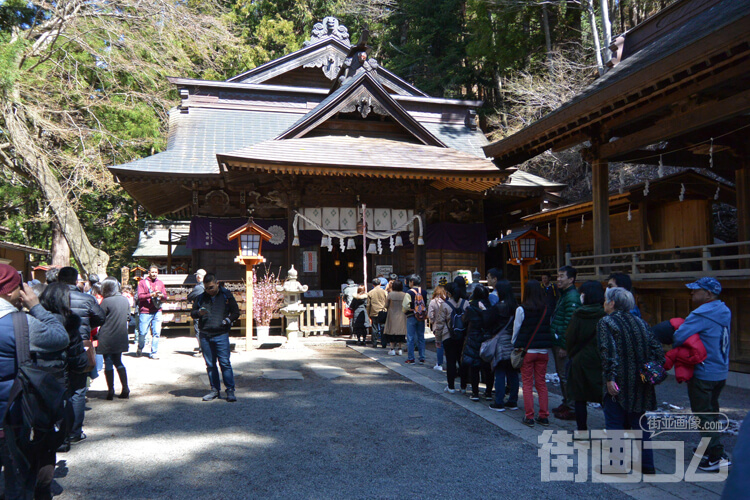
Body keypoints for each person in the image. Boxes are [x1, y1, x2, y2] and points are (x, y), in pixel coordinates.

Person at [0, 264, 69, 499]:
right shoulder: (19, 324)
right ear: (8, 291)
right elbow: (60, 337)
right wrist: (36, 307)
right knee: (17, 481)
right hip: (11, 417)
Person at [597, 287, 664, 475]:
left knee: (614, 422)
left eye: (605, 300)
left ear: (611, 303)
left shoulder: (607, 322)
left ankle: (617, 465)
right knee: (640, 423)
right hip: (641, 381)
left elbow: (607, 351)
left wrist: (610, 378)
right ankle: (648, 465)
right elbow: (658, 351)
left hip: (618, 380)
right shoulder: (640, 322)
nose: (604, 303)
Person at [673, 277, 732, 471]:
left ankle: (716, 456)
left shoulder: (701, 314)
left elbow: (679, 336)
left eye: (696, 290)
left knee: (704, 416)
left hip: (704, 372)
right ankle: (708, 448)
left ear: (708, 293)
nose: (692, 293)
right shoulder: (724, 310)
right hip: (720, 370)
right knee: (711, 413)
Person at [57, 266, 105, 444]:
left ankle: (59, 430)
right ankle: (75, 431)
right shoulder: (86, 298)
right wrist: (85, 325)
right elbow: (100, 318)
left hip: (56, 344)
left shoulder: (51, 298)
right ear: (76, 280)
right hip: (80, 344)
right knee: (78, 389)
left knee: (59, 388)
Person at [191, 274, 240, 402]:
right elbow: (193, 313)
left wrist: (227, 320)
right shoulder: (201, 297)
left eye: (211, 287)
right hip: (205, 334)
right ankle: (214, 390)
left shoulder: (226, 295)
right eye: (207, 288)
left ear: (217, 283)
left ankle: (230, 390)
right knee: (210, 364)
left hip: (221, 334)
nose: (209, 290)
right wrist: (198, 313)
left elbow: (236, 312)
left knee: (224, 363)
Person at [565, 280, 606, 434]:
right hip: (600, 359)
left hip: (580, 359)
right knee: (604, 396)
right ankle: (613, 427)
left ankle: (582, 431)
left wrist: (572, 352)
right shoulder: (605, 314)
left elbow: (570, 337)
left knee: (580, 397)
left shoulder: (579, 314)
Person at [513, 280, 553, 426]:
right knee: (541, 383)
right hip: (543, 350)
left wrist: (515, 345)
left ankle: (529, 416)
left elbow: (516, 330)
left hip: (528, 350)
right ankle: (544, 415)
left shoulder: (521, 309)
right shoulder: (546, 308)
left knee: (527, 384)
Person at [550, 265, 579, 421]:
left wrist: (564, 345)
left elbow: (570, 323)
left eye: (562, 276)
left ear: (571, 279)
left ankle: (572, 406)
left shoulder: (572, 297)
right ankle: (566, 402)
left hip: (563, 342)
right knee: (562, 375)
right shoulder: (564, 295)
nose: (558, 279)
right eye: (558, 276)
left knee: (565, 375)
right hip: (558, 339)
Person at [98, 278, 130, 400]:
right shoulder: (124, 300)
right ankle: (125, 388)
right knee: (118, 361)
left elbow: (100, 318)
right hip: (121, 334)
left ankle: (110, 390)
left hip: (107, 335)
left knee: (109, 363)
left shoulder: (106, 301)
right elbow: (128, 316)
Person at [489, 279, 518, 411]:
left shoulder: (498, 307)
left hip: (500, 341)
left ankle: (499, 401)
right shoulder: (516, 306)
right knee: (512, 372)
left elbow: (490, 323)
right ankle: (513, 400)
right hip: (513, 341)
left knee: (500, 371)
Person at [461, 285, 494, 402]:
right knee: (487, 367)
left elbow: (464, 321)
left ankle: (475, 393)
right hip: (486, 338)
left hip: (473, 337)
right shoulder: (490, 307)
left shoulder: (471, 307)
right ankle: (488, 392)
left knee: (474, 366)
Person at [137, 265, 167, 359]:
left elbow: (165, 297)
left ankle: (154, 352)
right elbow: (140, 296)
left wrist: (161, 295)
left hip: (157, 310)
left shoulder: (160, 283)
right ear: (149, 272)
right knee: (142, 332)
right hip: (145, 311)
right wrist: (151, 295)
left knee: (156, 333)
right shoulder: (142, 283)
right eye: (152, 272)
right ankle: (140, 347)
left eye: (156, 272)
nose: (154, 274)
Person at [403, 274, 426, 365]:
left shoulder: (409, 292)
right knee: (421, 337)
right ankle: (422, 357)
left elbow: (405, 306)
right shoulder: (424, 292)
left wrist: (407, 311)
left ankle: (411, 358)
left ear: (412, 282)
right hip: (421, 316)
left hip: (411, 316)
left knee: (410, 337)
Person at [383, 280, 407, 356]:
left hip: (392, 315)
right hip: (402, 315)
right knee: (401, 333)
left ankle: (392, 349)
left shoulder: (390, 295)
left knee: (391, 332)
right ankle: (400, 349)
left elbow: (386, 305)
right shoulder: (405, 295)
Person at [187, 269, 207, 356]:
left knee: (199, 331)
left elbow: (189, 297)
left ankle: (202, 350)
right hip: (207, 311)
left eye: (197, 275)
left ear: (199, 276)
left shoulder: (199, 287)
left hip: (199, 312)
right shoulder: (208, 286)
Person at [428, 285, 447, 371]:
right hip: (446, 326)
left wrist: (432, 322)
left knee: (439, 345)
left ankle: (439, 363)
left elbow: (430, 315)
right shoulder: (446, 301)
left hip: (437, 326)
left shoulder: (433, 302)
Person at [367, 278, 388, 348]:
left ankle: (374, 343)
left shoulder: (370, 293)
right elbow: (387, 302)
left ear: (373, 285)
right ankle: (384, 343)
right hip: (383, 311)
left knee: (374, 327)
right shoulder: (384, 292)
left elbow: (368, 305)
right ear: (380, 284)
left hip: (374, 311)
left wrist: (368, 313)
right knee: (383, 328)